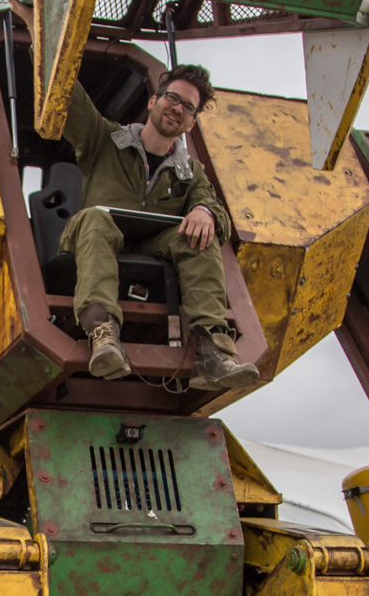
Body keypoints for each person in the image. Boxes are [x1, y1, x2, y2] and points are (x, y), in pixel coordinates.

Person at [57, 66, 257, 391]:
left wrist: (204, 211)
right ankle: (103, 335)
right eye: (172, 98)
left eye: (188, 107)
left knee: (200, 237)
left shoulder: (190, 171)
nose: (178, 108)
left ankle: (212, 352)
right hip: (96, 240)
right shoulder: (104, 139)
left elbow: (218, 213)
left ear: (191, 122)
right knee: (95, 217)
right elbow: (67, 97)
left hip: (151, 247)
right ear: (153, 102)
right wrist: (42, 39)